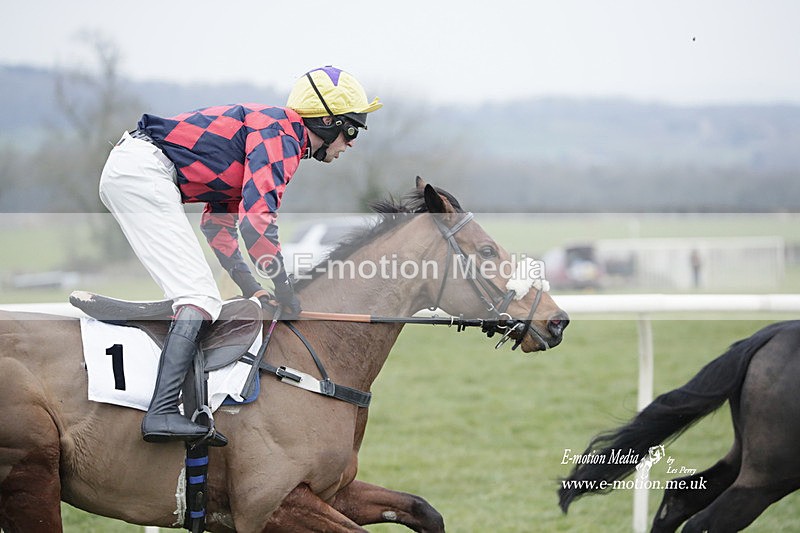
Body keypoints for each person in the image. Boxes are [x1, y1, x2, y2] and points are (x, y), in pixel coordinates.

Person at [98, 66, 382, 445]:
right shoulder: (280, 135)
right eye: (351, 130)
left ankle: (173, 405)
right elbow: (257, 224)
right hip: (143, 172)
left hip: (139, 169)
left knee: (200, 296)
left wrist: (253, 288)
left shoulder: (274, 135)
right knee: (199, 297)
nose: (351, 143)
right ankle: (162, 412)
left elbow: (220, 227)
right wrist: (284, 289)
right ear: (327, 121)